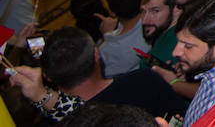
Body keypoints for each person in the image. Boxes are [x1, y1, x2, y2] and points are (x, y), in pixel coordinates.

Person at [7, 26, 187, 121]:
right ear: (96, 53)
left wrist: (41, 97)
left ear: (47, 77)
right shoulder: (145, 81)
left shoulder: (58, 121)